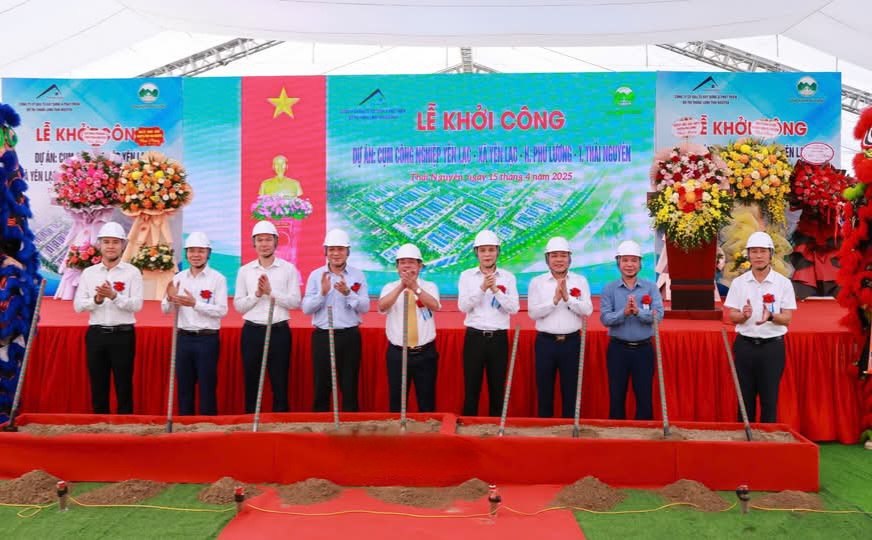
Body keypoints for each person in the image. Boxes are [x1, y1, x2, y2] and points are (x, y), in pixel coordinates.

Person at [724, 231, 796, 423]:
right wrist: (743, 315)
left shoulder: (783, 284)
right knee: (744, 400)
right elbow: (731, 315)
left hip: (772, 348)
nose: (758, 256)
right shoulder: (739, 283)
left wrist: (771, 316)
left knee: (769, 399)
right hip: (744, 346)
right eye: (753, 251)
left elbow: (787, 318)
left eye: (762, 251)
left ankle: (767, 446)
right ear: (748, 255)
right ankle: (743, 444)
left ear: (770, 255)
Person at [73, 221, 144, 414]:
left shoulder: (132, 272)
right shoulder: (89, 273)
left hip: (123, 335)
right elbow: (78, 306)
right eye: (106, 242)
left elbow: (137, 305)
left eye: (115, 242)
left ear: (123, 245)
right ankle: (99, 428)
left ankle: (125, 428)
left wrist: (114, 296)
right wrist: (96, 299)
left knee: (124, 385)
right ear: (99, 245)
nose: (111, 246)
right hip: (96, 335)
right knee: (98, 385)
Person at [234, 221, 301, 413]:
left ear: (276, 242)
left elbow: (295, 302)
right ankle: (250, 422)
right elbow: (239, 306)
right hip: (252, 332)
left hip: (279, 332)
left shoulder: (288, 269)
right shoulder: (245, 271)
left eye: (268, 240)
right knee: (251, 381)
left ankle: (281, 424)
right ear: (254, 243)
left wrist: (271, 293)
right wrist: (256, 294)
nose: (264, 244)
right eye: (260, 240)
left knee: (280, 381)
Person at [301, 229, 369, 412]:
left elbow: (365, 307)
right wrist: (322, 293)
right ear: (325, 252)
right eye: (331, 249)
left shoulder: (357, 275)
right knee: (322, 386)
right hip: (323, 336)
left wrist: (348, 293)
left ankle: (350, 430)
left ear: (348, 252)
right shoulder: (316, 276)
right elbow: (306, 308)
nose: (336, 253)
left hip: (349, 336)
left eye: (340, 249)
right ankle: (319, 430)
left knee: (349, 386)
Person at [161, 232, 228, 416]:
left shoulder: (218, 279)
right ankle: (184, 426)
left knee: (207, 387)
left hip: (207, 340)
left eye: (200, 251)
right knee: (184, 387)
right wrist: (170, 298)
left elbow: (222, 310)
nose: (196, 255)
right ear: (186, 253)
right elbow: (165, 309)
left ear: (208, 253)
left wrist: (195, 304)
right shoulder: (178, 278)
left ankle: (207, 428)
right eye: (191, 251)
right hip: (183, 338)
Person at [528, 237, 593, 418]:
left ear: (569, 258)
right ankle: (544, 433)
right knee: (544, 392)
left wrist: (568, 298)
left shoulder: (580, 281)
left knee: (571, 392)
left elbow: (587, 309)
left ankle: (570, 434)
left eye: (563, 256)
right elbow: (533, 313)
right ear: (547, 259)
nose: (558, 260)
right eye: (554, 256)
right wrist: (554, 301)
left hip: (572, 343)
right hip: (545, 344)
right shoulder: (537, 282)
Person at [457, 230, 520, 416]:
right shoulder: (467, 276)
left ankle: (495, 432)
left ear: (498, 252)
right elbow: (463, 306)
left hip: (498, 339)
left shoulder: (508, 277)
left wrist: (496, 290)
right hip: (474, 337)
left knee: (497, 389)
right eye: (483, 250)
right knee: (471, 388)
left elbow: (514, 308)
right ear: (476, 252)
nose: (487, 254)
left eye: (491, 250)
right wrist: (482, 288)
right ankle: (468, 432)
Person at [600, 240, 664, 420]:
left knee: (644, 396)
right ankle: (616, 437)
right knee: (616, 395)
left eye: (634, 260)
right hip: (617, 350)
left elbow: (658, 315)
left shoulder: (650, 287)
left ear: (640, 263)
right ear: (618, 262)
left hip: (643, 350)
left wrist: (638, 313)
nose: (629, 265)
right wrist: (624, 313)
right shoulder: (609, 289)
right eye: (625, 260)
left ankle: (644, 440)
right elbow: (605, 319)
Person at [378, 243, 441, 413]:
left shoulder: (429, 286)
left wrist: (414, 287)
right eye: (402, 262)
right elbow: (382, 306)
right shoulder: (390, 287)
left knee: (426, 402)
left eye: (411, 262)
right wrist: (401, 287)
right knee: (397, 402)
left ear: (420, 265)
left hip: (425, 353)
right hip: (398, 354)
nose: (406, 265)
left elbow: (434, 305)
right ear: (397, 266)